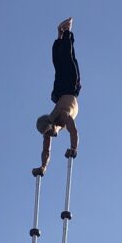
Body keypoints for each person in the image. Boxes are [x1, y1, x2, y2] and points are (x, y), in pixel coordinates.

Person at [33, 17, 81, 176]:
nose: (52, 135)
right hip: (66, 92)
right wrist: (43, 167)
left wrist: (74, 148)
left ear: (50, 122)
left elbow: (73, 130)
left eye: (50, 131)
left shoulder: (61, 116)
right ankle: (61, 34)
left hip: (66, 89)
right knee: (61, 62)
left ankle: (65, 30)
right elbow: (46, 150)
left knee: (64, 60)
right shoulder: (48, 130)